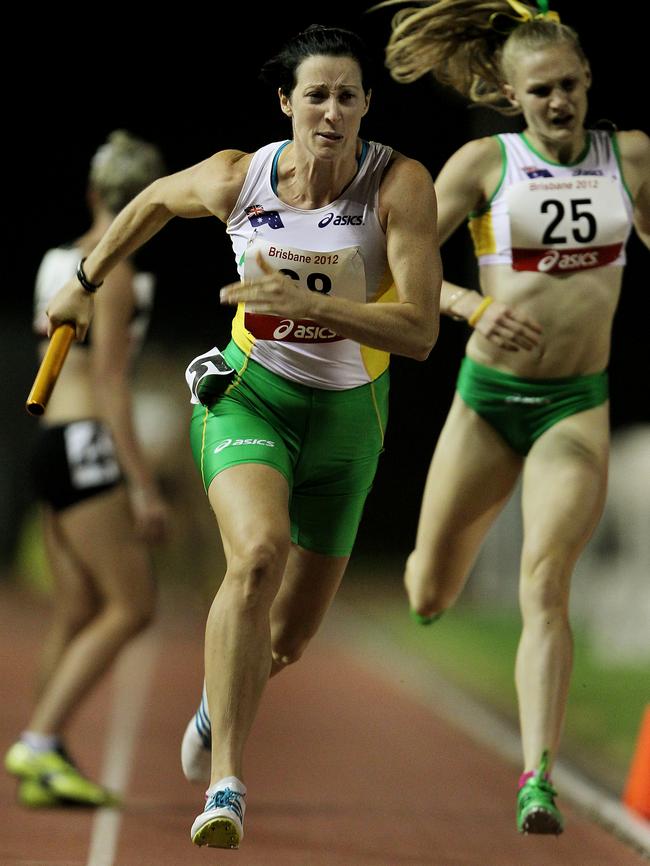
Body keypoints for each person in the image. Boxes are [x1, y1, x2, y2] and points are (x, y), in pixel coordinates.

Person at [44, 24, 442, 849]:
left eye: (346, 96)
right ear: (286, 103)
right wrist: (86, 281)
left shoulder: (398, 185)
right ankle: (226, 782)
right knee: (256, 552)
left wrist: (318, 308)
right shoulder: (241, 176)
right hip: (248, 398)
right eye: (315, 95)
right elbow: (151, 199)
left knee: (288, 639)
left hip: (348, 420)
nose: (330, 111)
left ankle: (210, 701)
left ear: (367, 104)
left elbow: (420, 332)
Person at [381, 0, 650, 836]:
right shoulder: (483, 166)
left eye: (570, 86)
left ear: (588, 81)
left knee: (545, 582)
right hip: (489, 403)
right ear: (510, 92)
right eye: (542, 91)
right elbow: (390, 273)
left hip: (577, 404)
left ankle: (539, 777)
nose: (560, 103)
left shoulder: (629, 158)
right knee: (430, 586)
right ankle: (430, 584)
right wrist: (468, 305)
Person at [4, 131, 169, 808]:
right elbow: (111, 384)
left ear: (94, 192)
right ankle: (39, 741)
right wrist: (143, 484)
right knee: (133, 605)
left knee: (76, 610)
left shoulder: (56, 259)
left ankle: (42, 753)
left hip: (47, 443)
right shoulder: (117, 269)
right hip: (85, 441)